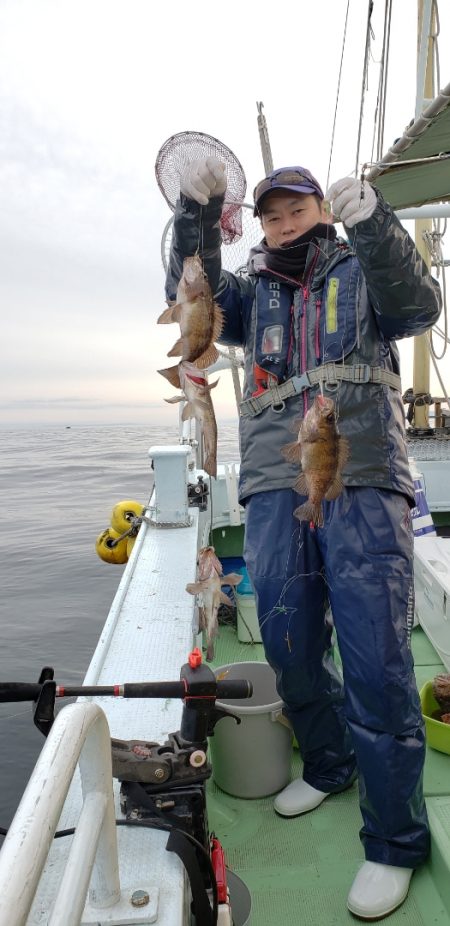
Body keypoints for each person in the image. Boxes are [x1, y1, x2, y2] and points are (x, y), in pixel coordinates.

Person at [165, 157, 442, 920]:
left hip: (361, 472)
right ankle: (328, 760)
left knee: (377, 658)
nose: (284, 224)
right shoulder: (250, 295)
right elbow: (189, 296)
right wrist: (197, 215)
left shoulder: (361, 265)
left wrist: (376, 220)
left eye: (298, 210)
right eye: (271, 215)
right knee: (286, 641)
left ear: (323, 208)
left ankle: (393, 841)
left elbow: (419, 308)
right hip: (270, 482)